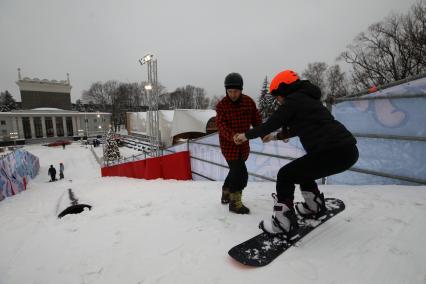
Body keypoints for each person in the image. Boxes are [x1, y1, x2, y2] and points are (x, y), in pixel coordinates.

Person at [235, 69, 358, 237]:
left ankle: (284, 224)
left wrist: (245, 136)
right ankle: (314, 206)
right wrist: (275, 137)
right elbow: (301, 126)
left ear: (284, 89)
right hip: (347, 150)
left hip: (332, 151)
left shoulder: (293, 100)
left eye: (277, 96)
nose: (278, 101)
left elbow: (270, 123)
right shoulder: (308, 99)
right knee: (302, 171)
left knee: (285, 175)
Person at [216, 72, 272, 214]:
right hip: (229, 146)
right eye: (230, 91)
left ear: (241, 89)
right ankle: (235, 203)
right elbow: (221, 126)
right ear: (226, 90)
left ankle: (226, 193)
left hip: (244, 146)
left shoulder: (248, 102)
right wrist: (232, 136)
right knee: (241, 174)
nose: (233, 94)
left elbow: (257, 120)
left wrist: (263, 134)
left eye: (236, 91)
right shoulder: (222, 105)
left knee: (235, 171)